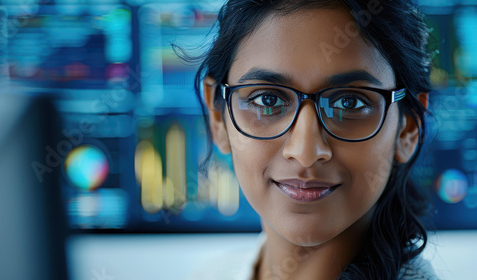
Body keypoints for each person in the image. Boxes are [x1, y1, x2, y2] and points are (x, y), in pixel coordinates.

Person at [183, 0, 438, 279]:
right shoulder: (212, 272)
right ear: (218, 118)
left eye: (350, 103)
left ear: (407, 128)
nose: (305, 152)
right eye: (267, 99)